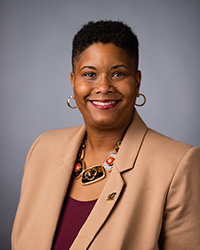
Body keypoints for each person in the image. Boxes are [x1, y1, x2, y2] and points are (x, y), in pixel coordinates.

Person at [12, 20, 200, 250]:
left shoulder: (178, 164)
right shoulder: (42, 148)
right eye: (89, 74)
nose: (103, 87)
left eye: (118, 74)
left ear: (137, 81)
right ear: (73, 81)